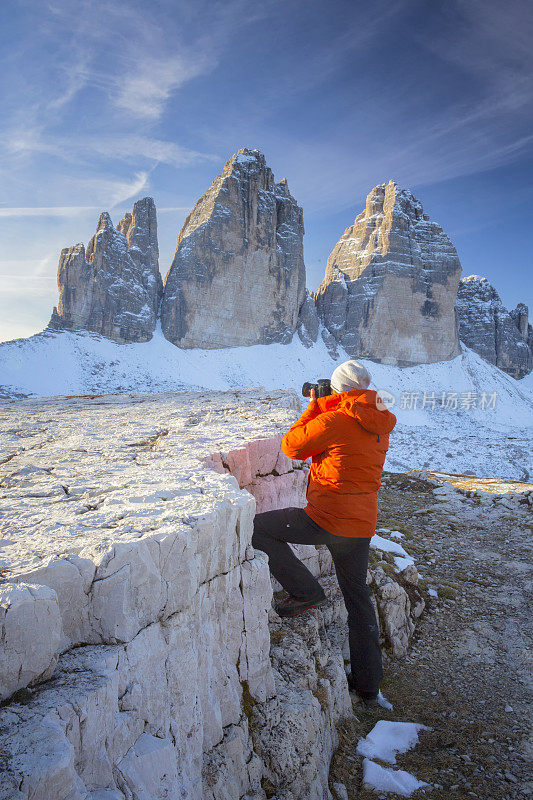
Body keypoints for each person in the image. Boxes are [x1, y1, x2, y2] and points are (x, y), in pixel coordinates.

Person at [252, 359, 396, 704]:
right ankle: (368, 685)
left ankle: (305, 591)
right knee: (358, 599)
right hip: (360, 525)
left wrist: (316, 404)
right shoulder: (381, 421)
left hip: (327, 519)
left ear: (338, 391)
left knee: (258, 529)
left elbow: (292, 446)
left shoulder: (333, 419)